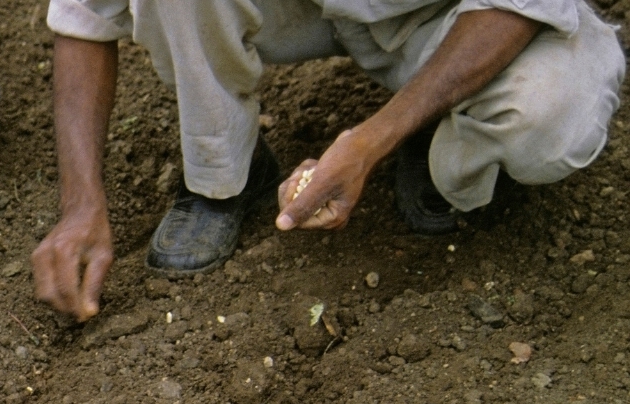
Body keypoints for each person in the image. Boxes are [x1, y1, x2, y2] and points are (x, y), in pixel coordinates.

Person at [31, 0, 625, 322]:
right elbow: (84, 18)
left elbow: (515, 7)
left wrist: (372, 140)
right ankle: (225, 174)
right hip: (306, 10)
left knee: (551, 115)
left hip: (447, 16)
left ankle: (438, 128)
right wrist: (81, 202)